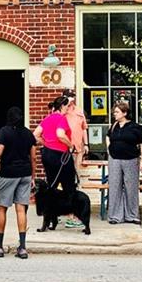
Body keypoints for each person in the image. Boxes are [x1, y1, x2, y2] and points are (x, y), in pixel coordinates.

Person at [0, 107, 37, 259]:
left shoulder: (5, 132)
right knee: (21, 210)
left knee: (2, 209)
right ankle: (23, 247)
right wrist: (33, 176)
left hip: (8, 173)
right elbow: (33, 157)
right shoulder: (28, 133)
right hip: (24, 173)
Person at [106, 101, 142, 225]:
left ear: (125, 113)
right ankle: (115, 216)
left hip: (131, 160)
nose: (115, 114)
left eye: (117, 112)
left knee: (131, 187)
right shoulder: (114, 126)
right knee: (114, 187)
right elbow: (108, 136)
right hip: (115, 160)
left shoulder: (135, 126)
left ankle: (132, 216)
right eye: (114, 112)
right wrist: (109, 149)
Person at [34, 96, 75, 195]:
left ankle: (50, 208)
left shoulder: (47, 118)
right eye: (67, 106)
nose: (68, 108)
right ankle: (69, 207)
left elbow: (35, 134)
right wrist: (70, 145)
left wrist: (47, 143)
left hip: (47, 154)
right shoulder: (62, 118)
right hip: (60, 155)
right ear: (62, 106)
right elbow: (60, 134)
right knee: (68, 183)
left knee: (52, 182)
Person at [63, 93, 89, 229]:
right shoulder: (62, 111)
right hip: (66, 150)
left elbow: (84, 128)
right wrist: (66, 104)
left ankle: (75, 212)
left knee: (76, 180)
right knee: (68, 181)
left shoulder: (79, 111)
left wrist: (86, 144)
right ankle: (69, 214)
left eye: (72, 97)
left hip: (78, 150)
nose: (71, 100)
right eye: (68, 97)